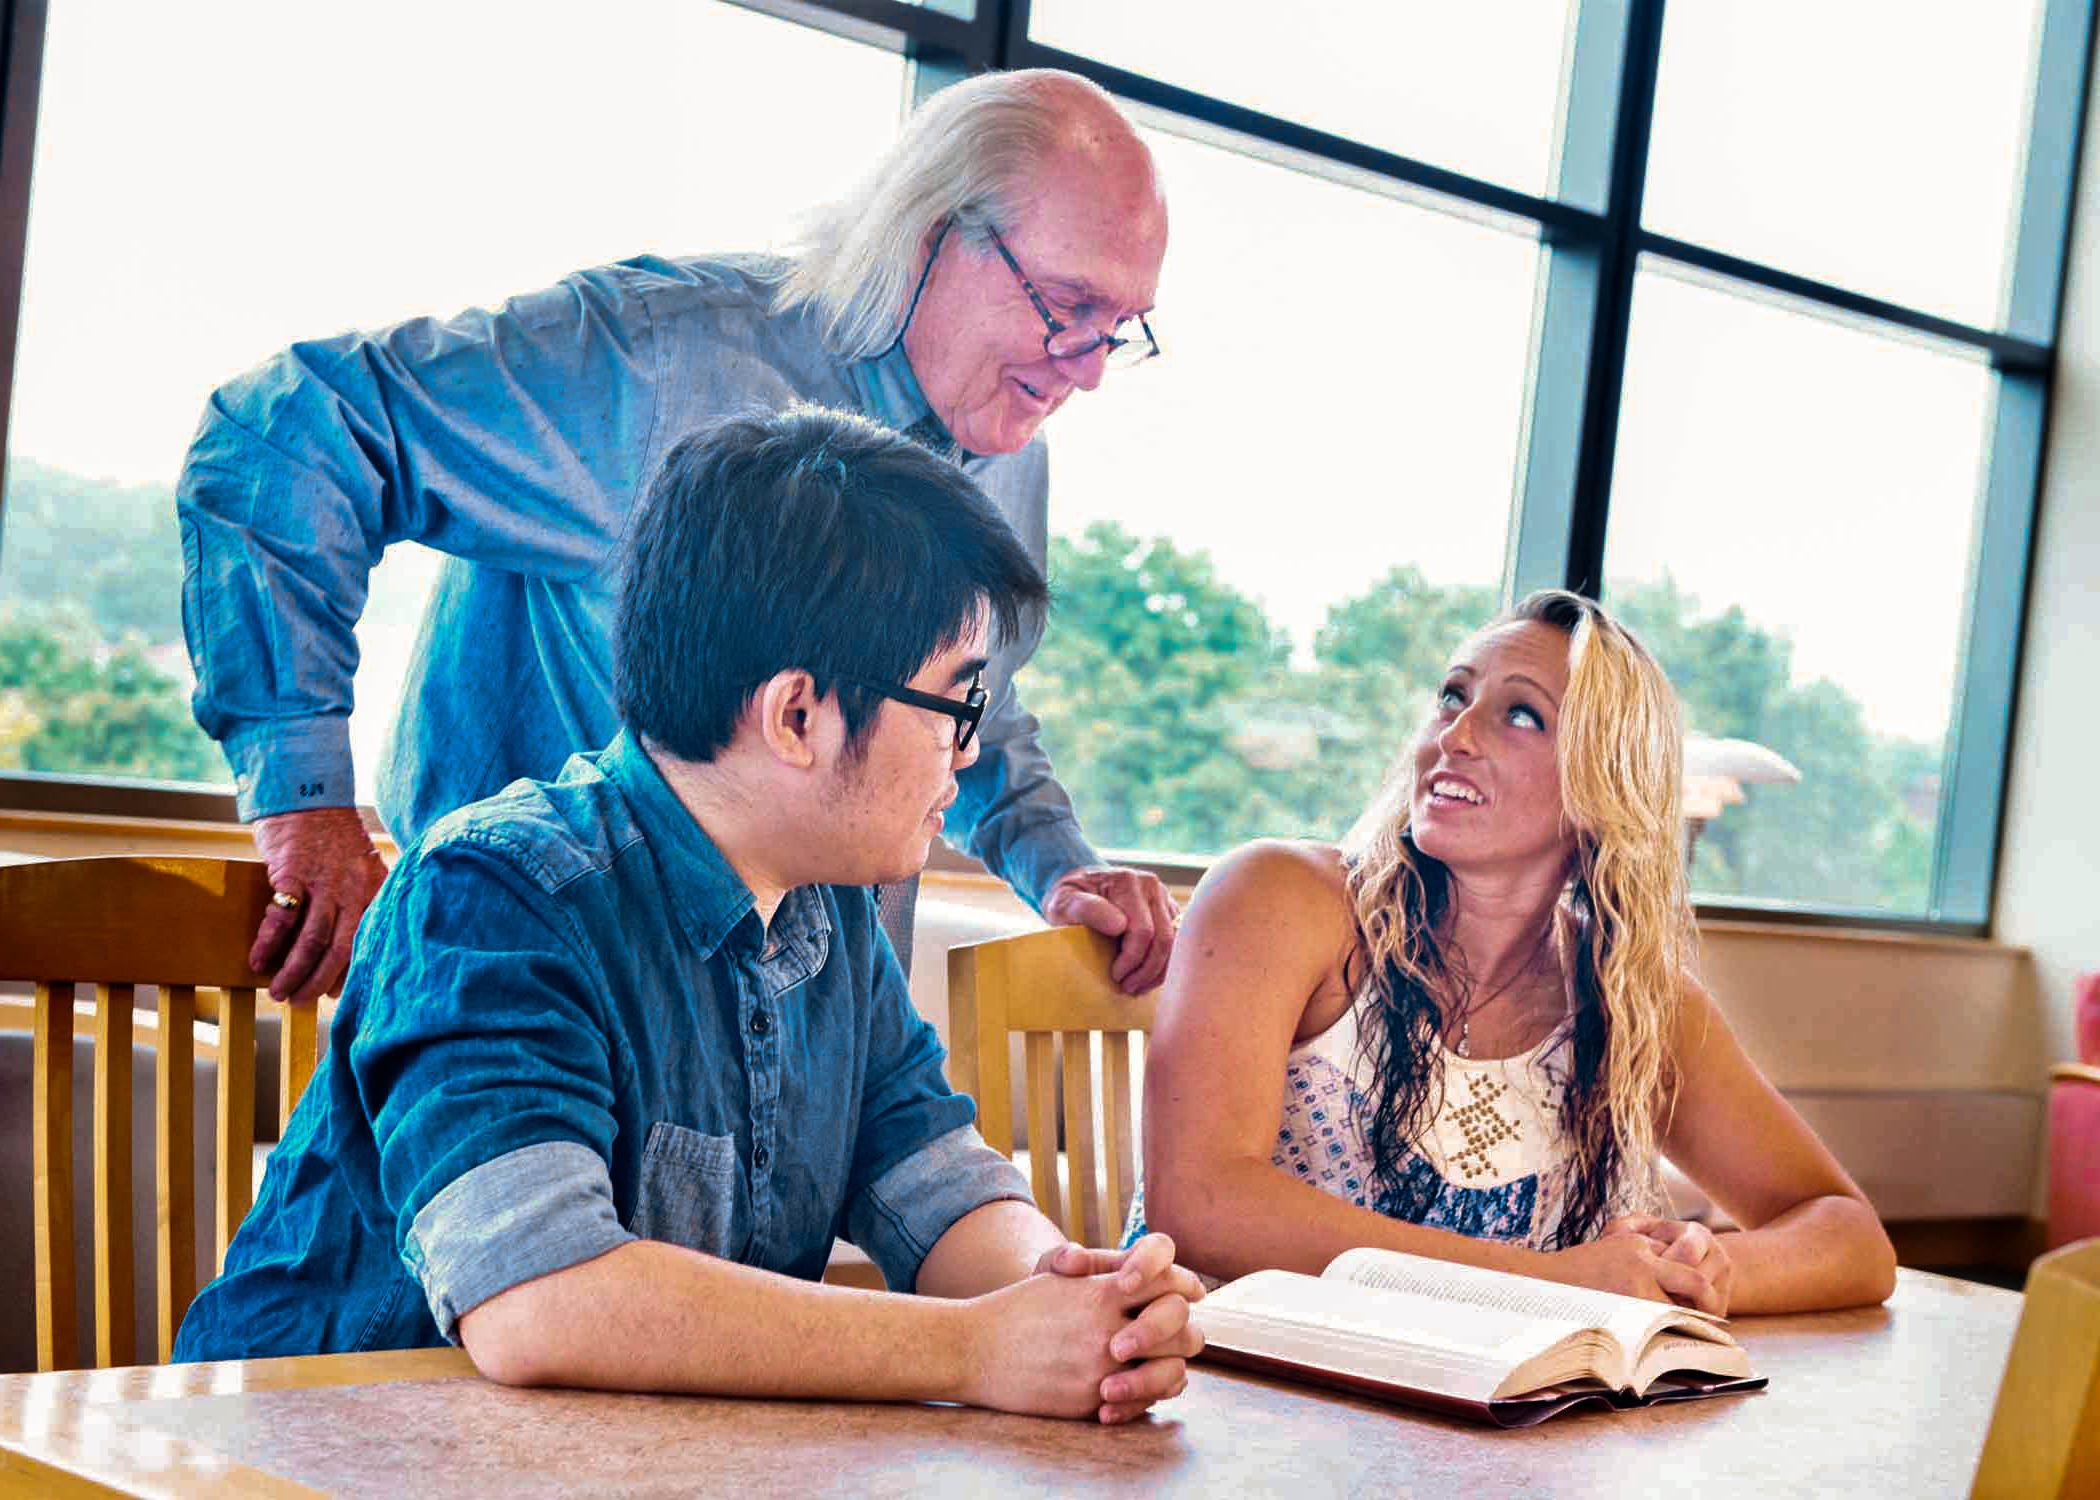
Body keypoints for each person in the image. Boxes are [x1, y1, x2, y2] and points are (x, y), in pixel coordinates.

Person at [174, 408, 1203, 1423]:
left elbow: (934, 1184)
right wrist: (976, 1348)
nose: (969, 754)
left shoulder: (830, 911)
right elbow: (540, 1301)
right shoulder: (492, 894)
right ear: (797, 716)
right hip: (313, 1458)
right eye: (954, 706)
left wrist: (1077, 1299)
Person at [177, 67, 1178, 1009]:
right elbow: (292, 430)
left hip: (796, 1052)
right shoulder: (663, 360)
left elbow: (963, 707)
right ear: (931, 235)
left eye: (1121, 327)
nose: (1087, 371)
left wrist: (1062, 865)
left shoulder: (1007, 449)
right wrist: (306, 798)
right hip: (531, 1000)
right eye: (1069, 306)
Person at [1131, 589, 1897, 1315]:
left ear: (1603, 785)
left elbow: (1848, 1236)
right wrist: (1553, 1285)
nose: (1453, 738)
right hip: (1208, 1404)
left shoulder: (1633, 1002)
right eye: (1453, 698)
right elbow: (1202, 1203)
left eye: (1521, 716)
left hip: (1474, 1443)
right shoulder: (1280, 896)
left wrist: (1702, 1272)